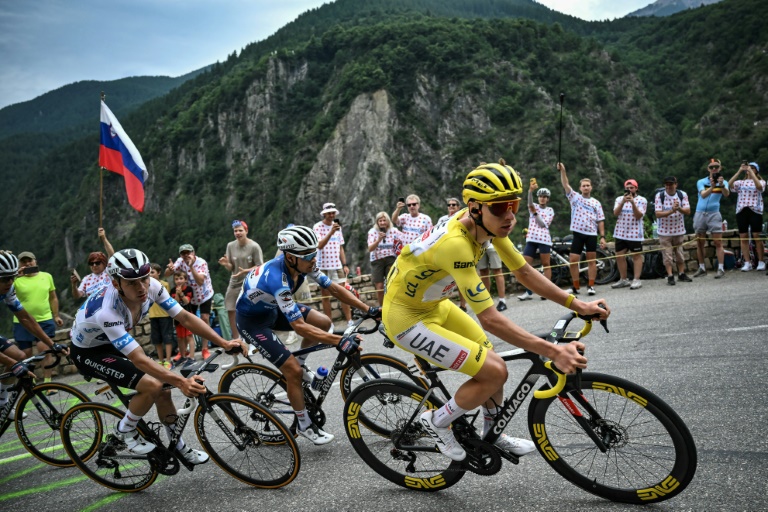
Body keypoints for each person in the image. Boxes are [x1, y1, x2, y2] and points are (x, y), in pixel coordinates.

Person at [382, 161, 609, 461]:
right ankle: (435, 421)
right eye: (501, 208)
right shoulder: (456, 244)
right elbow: (489, 317)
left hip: (435, 306)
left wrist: (578, 304)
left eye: (513, 205)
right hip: (405, 319)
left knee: (491, 363)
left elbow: (524, 272)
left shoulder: (488, 225)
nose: (511, 216)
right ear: (475, 208)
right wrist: (553, 352)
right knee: (494, 371)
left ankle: (492, 433)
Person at [69, 249, 246, 461]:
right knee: (152, 385)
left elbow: (185, 317)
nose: (141, 287)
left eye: (144, 278)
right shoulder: (107, 311)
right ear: (116, 284)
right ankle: (124, 431)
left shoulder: (152, 285)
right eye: (132, 282)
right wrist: (182, 382)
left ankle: (177, 445)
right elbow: (139, 359)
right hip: (89, 352)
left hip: (111, 340)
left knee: (164, 389)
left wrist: (224, 342)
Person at [235, 226, 380, 445]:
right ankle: (303, 424)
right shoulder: (277, 279)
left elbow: (334, 289)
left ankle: (301, 365)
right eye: (309, 256)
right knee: (291, 371)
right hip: (253, 323)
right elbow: (300, 327)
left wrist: (368, 309)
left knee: (323, 322)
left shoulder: (303, 266)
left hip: (272, 310)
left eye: (315, 253)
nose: (314, 260)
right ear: (291, 257)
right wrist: (340, 341)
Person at [0, 251, 68, 409]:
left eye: (12, 277)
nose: (9, 282)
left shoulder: (8, 291)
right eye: (4, 279)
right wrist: (12, 364)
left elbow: (26, 318)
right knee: (14, 361)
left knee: (19, 356)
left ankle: (2, 402)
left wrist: (52, 344)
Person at [13, 251, 64, 391]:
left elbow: (53, 297)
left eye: (30, 260)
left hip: (44, 319)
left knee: (45, 350)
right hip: (22, 322)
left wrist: (56, 316)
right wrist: (15, 275)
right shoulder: (15, 280)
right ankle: (31, 385)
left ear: (35, 261)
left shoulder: (47, 276)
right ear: (19, 264)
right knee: (26, 355)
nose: (27, 263)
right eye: (24, 261)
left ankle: (48, 384)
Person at [558, 163, 606, 295]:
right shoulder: (575, 198)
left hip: (591, 234)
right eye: (583, 186)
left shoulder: (596, 202)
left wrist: (602, 237)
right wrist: (563, 170)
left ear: (591, 187)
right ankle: (575, 286)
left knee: (591, 260)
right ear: (580, 188)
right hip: (578, 233)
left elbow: (600, 220)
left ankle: (591, 286)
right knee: (573, 260)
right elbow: (566, 184)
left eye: (588, 185)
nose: (585, 187)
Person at [165, 244, 214, 358]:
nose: (186, 255)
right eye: (183, 253)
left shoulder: (201, 262)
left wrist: (191, 267)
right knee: (186, 321)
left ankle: (205, 348)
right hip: (190, 296)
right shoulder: (180, 261)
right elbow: (167, 274)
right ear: (180, 255)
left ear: (194, 252)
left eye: (189, 252)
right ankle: (183, 351)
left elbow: (200, 281)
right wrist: (170, 269)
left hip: (204, 294)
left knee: (204, 318)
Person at [218, 220, 263, 337]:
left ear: (246, 231)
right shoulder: (230, 245)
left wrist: (246, 271)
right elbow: (231, 267)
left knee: (251, 310)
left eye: (240, 230)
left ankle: (255, 335)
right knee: (230, 308)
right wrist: (225, 264)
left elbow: (260, 265)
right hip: (235, 281)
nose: (237, 233)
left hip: (250, 281)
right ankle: (236, 337)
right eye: (235, 231)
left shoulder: (254, 246)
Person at [313, 203, 352, 326]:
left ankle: (349, 320)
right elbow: (319, 245)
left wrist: (344, 264)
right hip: (322, 265)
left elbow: (341, 247)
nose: (331, 215)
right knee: (325, 295)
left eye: (333, 213)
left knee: (342, 292)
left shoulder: (338, 227)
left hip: (337, 264)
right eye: (329, 213)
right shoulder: (317, 227)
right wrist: (330, 232)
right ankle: (329, 323)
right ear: (324, 214)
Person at [693, 158, 730, 278]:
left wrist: (721, 185)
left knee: (718, 242)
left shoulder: (724, 182)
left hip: (714, 213)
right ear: (708, 169)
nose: (714, 169)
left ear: (720, 168)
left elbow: (726, 194)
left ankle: (720, 268)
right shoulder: (701, 181)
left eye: (716, 167)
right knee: (700, 242)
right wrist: (712, 187)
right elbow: (703, 195)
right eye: (711, 167)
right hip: (700, 213)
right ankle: (702, 267)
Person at [519, 183, 555, 301]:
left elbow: (542, 224)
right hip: (532, 238)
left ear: (547, 199)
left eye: (544, 196)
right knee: (526, 265)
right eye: (540, 196)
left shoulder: (550, 210)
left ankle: (548, 291)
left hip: (544, 239)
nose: (542, 198)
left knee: (546, 264)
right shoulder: (534, 206)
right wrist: (530, 191)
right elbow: (529, 203)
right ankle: (528, 291)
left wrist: (535, 213)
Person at [654, 177, 693, 285]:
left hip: (679, 230)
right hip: (664, 231)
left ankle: (681, 273)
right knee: (667, 255)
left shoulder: (682, 195)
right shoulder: (660, 196)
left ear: (676, 184)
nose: (668, 187)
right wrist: (672, 211)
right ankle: (670, 275)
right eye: (666, 184)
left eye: (671, 184)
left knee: (680, 254)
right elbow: (658, 213)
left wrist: (678, 208)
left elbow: (688, 211)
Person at [610, 179, 647, 290]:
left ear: (636, 188)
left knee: (636, 256)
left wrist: (632, 203)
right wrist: (623, 202)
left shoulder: (642, 200)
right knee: (620, 256)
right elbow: (615, 213)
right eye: (627, 188)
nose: (630, 190)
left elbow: (639, 215)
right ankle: (623, 279)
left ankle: (636, 279)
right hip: (621, 232)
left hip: (635, 233)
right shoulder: (619, 199)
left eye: (632, 188)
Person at [728, 161, 765, 272]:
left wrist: (751, 173)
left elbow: (759, 187)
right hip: (741, 210)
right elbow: (729, 184)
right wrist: (740, 170)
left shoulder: (761, 181)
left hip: (755, 210)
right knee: (743, 237)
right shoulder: (740, 182)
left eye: (753, 168)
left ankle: (761, 261)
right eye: (749, 167)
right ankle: (747, 262)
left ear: (756, 170)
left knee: (756, 236)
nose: (750, 169)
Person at [438, 199, 467, 310]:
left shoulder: (463, 217)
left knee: (461, 280)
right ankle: (447, 306)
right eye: (449, 205)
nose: (451, 206)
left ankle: (463, 305)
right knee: (446, 281)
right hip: (446, 252)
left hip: (459, 251)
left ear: (458, 207)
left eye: (454, 205)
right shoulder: (442, 219)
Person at [367, 212, 401, 306]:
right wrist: (378, 240)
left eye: (384, 220)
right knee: (380, 286)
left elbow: (401, 243)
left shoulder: (394, 231)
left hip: (390, 258)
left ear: (388, 221)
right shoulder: (372, 232)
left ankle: (394, 306)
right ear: (377, 222)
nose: (382, 223)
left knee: (392, 283)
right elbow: (370, 248)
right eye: (380, 221)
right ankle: (382, 308)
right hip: (377, 259)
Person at [148, 264, 175, 368]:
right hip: (153, 315)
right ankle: (161, 360)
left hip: (165, 315)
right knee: (157, 340)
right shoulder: (146, 286)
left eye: (153, 272)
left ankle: (168, 360)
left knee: (167, 338)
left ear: (159, 273)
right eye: (149, 273)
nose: (151, 275)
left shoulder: (165, 284)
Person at [171, 271, 196, 364]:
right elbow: (175, 302)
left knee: (189, 336)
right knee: (180, 337)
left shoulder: (189, 289)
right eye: (176, 279)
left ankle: (192, 357)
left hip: (188, 315)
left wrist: (181, 293)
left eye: (181, 278)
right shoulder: (173, 291)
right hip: (178, 316)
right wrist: (177, 293)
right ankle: (183, 356)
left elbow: (187, 301)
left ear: (185, 280)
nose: (179, 281)